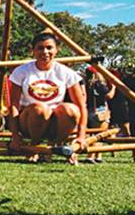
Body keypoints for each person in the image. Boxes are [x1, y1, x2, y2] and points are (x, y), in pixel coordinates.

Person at [7, 32, 87, 164]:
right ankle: (35, 146)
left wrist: (81, 136)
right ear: (33, 51)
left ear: (56, 50)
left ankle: (58, 144)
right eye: (40, 48)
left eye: (49, 48)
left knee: (70, 109)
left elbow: (81, 105)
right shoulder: (22, 71)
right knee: (41, 109)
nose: (45, 52)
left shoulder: (66, 72)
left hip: (56, 123)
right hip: (29, 121)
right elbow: (14, 105)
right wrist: (15, 135)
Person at [83, 67, 115, 163]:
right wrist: (113, 88)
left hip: (88, 111)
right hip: (100, 112)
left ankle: (97, 156)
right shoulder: (99, 84)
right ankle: (92, 156)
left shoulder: (84, 84)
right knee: (100, 135)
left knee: (91, 135)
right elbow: (109, 96)